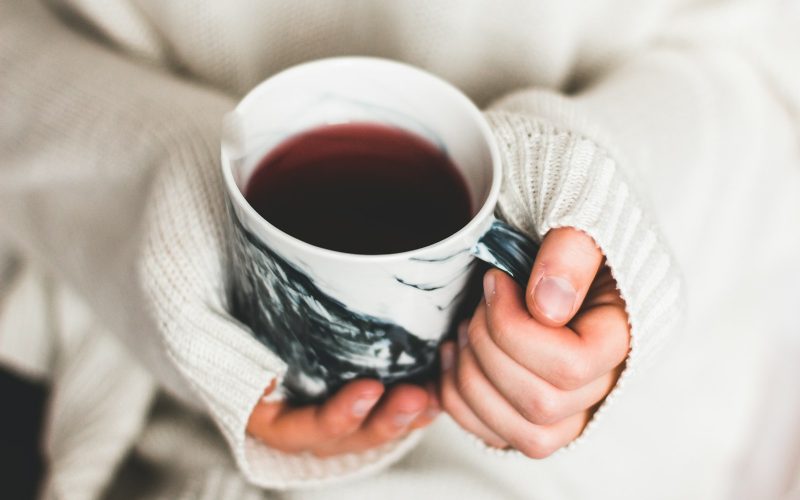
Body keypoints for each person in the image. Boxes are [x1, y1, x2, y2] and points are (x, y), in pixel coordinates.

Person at [1, 0, 799, 498]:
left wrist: (605, 194)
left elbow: (765, 84)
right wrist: (165, 196)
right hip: (150, 396)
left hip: (606, 450)